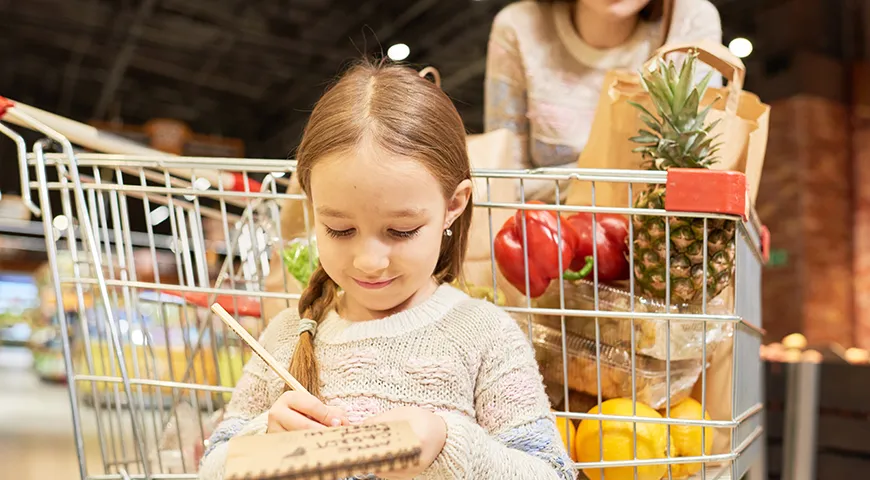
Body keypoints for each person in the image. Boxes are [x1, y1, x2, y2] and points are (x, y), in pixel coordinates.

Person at [198, 61, 577, 480]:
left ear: (454, 204)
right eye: (339, 230)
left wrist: (445, 443)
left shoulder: (485, 334)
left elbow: (551, 471)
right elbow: (215, 464)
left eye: (401, 230)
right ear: (312, 205)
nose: (369, 261)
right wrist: (263, 442)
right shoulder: (289, 333)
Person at [485, 0, 723, 202]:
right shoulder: (519, 26)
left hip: (658, 236)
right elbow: (503, 183)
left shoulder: (690, 20)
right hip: (546, 236)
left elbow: (696, 173)